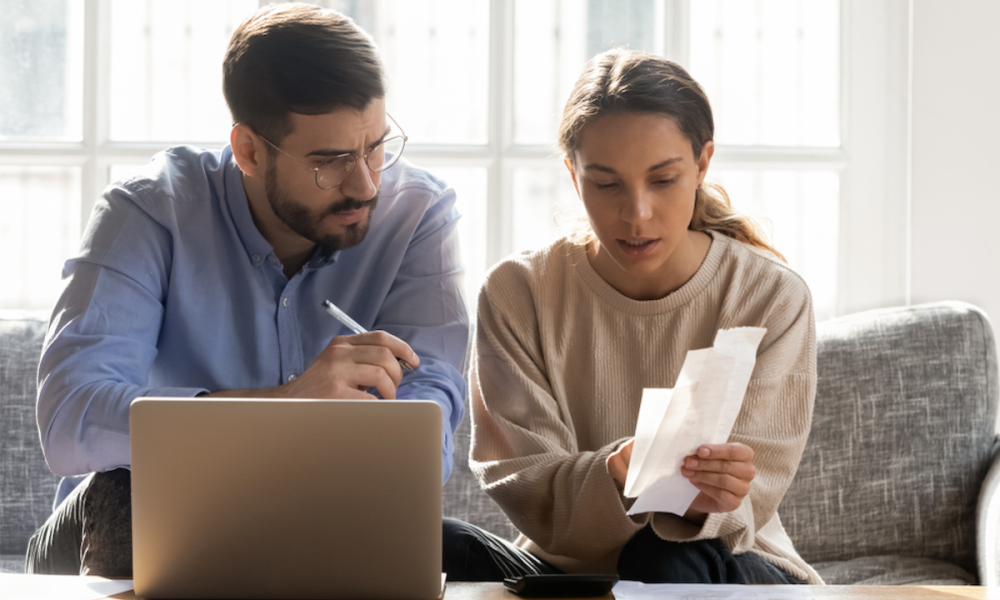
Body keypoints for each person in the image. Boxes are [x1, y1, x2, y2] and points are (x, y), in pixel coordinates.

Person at [27, 3, 467, 576]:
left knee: (466, 551)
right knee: (125, 496)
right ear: (250, 151)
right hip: (123, 516)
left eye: (376, 147)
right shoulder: (148, 211)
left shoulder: (420, 215)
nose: (364, 184)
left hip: (318, 508)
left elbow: (430, 407)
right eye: (330, 161)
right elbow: (70, 418)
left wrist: (372, 458)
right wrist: (286, 409)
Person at [448, 49, 822, 584]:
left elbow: (747, 504)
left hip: (722, 561)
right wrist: (614, 477)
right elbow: (522, 481)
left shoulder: (769, 295)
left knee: (661, 559)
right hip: (563, 568)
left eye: (663, 180)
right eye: (606, 183)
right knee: (432, 542)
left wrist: (706, 492)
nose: (636, 213)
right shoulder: (518, 291)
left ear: (702, 164)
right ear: (573, 176)